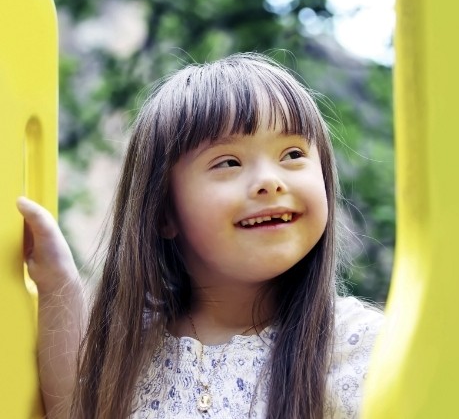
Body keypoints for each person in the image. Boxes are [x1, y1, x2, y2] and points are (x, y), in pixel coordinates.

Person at [18, 53, 383, 419]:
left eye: (292, 153)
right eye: (228, 162)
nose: (271, 181)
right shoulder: (133, 350)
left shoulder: (363, 345)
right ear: (164, 211)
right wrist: (56, 281)